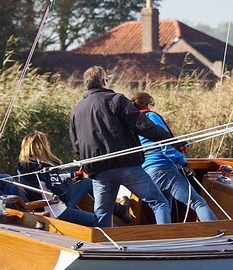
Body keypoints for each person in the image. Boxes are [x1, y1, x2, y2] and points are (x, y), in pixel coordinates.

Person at [69, 66, 172, 227]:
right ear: (104, 82)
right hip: (126, 166)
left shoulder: (76, 110)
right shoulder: (116, 100)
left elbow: (76, 146)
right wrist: (170, 140)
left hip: (99, 171)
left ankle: (105, 242)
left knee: (102, 215)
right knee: (159, 202)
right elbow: (142, 125)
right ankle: (166, 238)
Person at [131, 92, 219, 222]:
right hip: (164, 169)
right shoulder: (151, 116)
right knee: (197, 203)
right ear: (149, 104)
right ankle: (216, 230)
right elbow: (165, 143)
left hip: (148, 172)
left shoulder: (134, 122)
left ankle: (165, 234)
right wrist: (183, 163)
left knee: (163, 206)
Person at [16, 132, 99, 226]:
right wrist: (68, 181)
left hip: (38, 208)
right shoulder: (47, 168)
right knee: (99, 220)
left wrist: (72, 175)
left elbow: (47, 182)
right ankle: (105, 211)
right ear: (43, 147)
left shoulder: (22, 167)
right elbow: (65, 196)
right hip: (56, 213)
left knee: (87, 182)